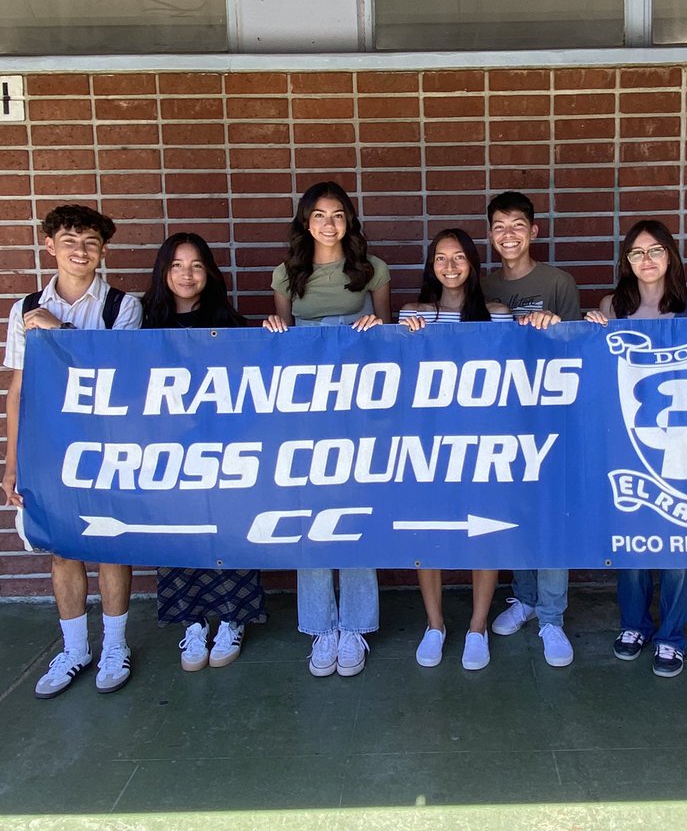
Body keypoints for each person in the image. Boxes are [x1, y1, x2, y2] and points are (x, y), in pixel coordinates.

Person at [2, 205, 142, 698]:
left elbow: (119, 373)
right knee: (61, 547)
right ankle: (75, 648)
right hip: (48, 445)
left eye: (89, 243)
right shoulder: (24, 309)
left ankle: (114, 646)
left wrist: (58, 332)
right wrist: (12, 461)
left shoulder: (120, 307)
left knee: (110, 544)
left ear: (103, 251)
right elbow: (19, 389)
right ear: (49, 245)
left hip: (106, 442)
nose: (79, 251)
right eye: (69, 240)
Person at [264, 182, 390, 679]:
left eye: (338, 215)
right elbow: (282, 346)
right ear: (305, 222)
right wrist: (276, 333)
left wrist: (374, 327)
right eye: (319, 216)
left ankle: (356, 625)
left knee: (353, 511)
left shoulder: (371, 267)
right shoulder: (286, 273)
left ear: (349, 220)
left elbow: (388, 334)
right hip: (306, 412)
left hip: (360, 409)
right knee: (309, 514)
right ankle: (320, 627)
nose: (329, 224)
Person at [585, 219, 687, 678]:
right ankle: (634, 625)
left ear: (670, 256)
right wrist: (593, 330)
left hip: (680, 437)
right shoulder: (611, 306)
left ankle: (672, 635)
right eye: (636, 253)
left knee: (679, 542)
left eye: (655, 251)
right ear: (626, 262)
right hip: (627, 436)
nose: (646, 260)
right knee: (633, 538)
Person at [141, 233, 267, 671]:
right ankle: (192, 623)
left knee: (228, 531)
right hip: (166, 452)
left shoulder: (231, 324)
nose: (186, 274)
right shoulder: (143, 327)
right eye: (176, 265)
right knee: (178, 535)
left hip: (224, 449)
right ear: (163, 272)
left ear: (209, 272)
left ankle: (232, 619)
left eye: (195, 265)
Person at [400, 228, 513, 671]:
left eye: (459, 258)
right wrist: (401, 334)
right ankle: (435, 624)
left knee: (483, 536)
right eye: (441, 259)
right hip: (427, 444)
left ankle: (478, 626)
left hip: (483, 441)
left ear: (472, 264)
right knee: (428, 534)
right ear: (431, 266)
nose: (450, 266)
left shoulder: (496, 314)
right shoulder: (415, 314)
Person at [483, 191, 581, 667]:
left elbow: (577, 350)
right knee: (515, 512)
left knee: (550, 517)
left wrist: (554, 325)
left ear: (534, 231)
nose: (509, 235)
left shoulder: (558, 282)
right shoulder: (481, 286)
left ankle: (552, 617)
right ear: (489, 234)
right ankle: (522, 597)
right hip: (501, 420)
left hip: (549, 419)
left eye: (517, 225)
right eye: (499, 226)